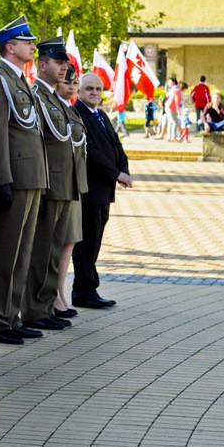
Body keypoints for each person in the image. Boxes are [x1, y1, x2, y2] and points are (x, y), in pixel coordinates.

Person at [0, 15, 48, 345]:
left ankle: (13, 315)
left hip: (31, 175)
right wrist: (1, 180)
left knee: (23, 251)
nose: (32, 46)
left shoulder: (19, 79)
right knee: (6, 251)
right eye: (27, 42)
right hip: (16, 178)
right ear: (10, 46)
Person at [22, 36, 79, 332]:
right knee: (42, 249)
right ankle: (34, 309)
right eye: (58, 62)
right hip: (49, 182)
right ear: (41, 64)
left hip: (62, 182)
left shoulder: (54, 98)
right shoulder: (37, 96)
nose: (63, 68)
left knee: (54, 249)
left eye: (64, 63)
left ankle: (46, 305)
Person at [72, 73, 132, 308]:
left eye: (98, 88)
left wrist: (124, 168)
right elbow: (91, 151)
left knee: (95, 240)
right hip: (90, 190)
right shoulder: (78, 114)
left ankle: (88, 287)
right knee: (86, 242)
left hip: (103, 192)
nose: (95, 92)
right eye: (89, 88)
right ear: (80, 90)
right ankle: (84, 291)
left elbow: (117, 145)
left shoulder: (102, 115)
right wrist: (116, 174)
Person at [53, 64, 88, 318]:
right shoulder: (53, 105)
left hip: (74, 182)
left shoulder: (70, 109)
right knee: (56, 242)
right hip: (60, 183)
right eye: (68, 83)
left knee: (70, 240)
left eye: (75, 84)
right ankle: (53, 295)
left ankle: (60, 292)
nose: (72, 87)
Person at [164, 76, 182, 142]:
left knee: (170, 122)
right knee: (175, 122)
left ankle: (169, 137)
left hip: (169, 106)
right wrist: (178, 109)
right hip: (171, 107)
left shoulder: (174, 89)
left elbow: (167, 95)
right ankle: (173, 137)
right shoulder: (176, 89)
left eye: (170, 82)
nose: (169, 83)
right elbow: (177, 100)